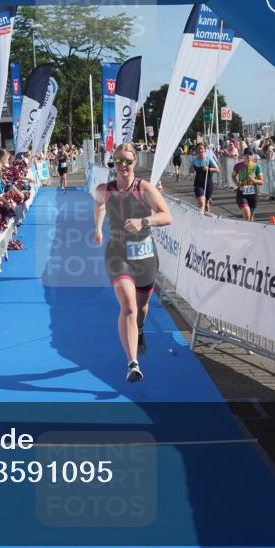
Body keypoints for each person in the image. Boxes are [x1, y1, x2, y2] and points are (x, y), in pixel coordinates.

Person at [93, 143, 172, 383]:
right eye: (119, 161)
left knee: (142, 306)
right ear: (112, 163)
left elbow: (166, 215)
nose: (123, 165)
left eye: (128, 161)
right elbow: (99, 203)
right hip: (117, 252)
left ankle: (139, 329)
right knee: (128, 305)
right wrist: (98, 227)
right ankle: (132, 363)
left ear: (135, 163)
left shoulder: (144, 188)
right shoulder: (103, 189)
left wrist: (144, 221)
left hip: (145, 254)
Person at [232, 147, 264, 221]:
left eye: (250, 154)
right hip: (242, 193)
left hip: (253, 194)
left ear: (252, 156)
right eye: (246, 154)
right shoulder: (238, 166)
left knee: (251, 217)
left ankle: (249, 231)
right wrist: (237, 183)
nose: (248, 156)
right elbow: (233, 176)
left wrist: (253, 180)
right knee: (247, 214)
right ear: (243, 156)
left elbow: (261, 181)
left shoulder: (256, 167)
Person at [190, 142, 219, 213]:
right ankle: (201, 218)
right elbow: (190, 170)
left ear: (205, 150)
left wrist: (208, 169)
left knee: (206, 203)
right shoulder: (194, 160)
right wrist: (191, 169)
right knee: (201, 203)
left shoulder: (209, 159)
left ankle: (208, 216)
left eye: (202, 149)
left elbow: (217, 170)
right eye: (199, 149)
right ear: (196, 150)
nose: (200, 150)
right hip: (198, 183)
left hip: (208, 183)